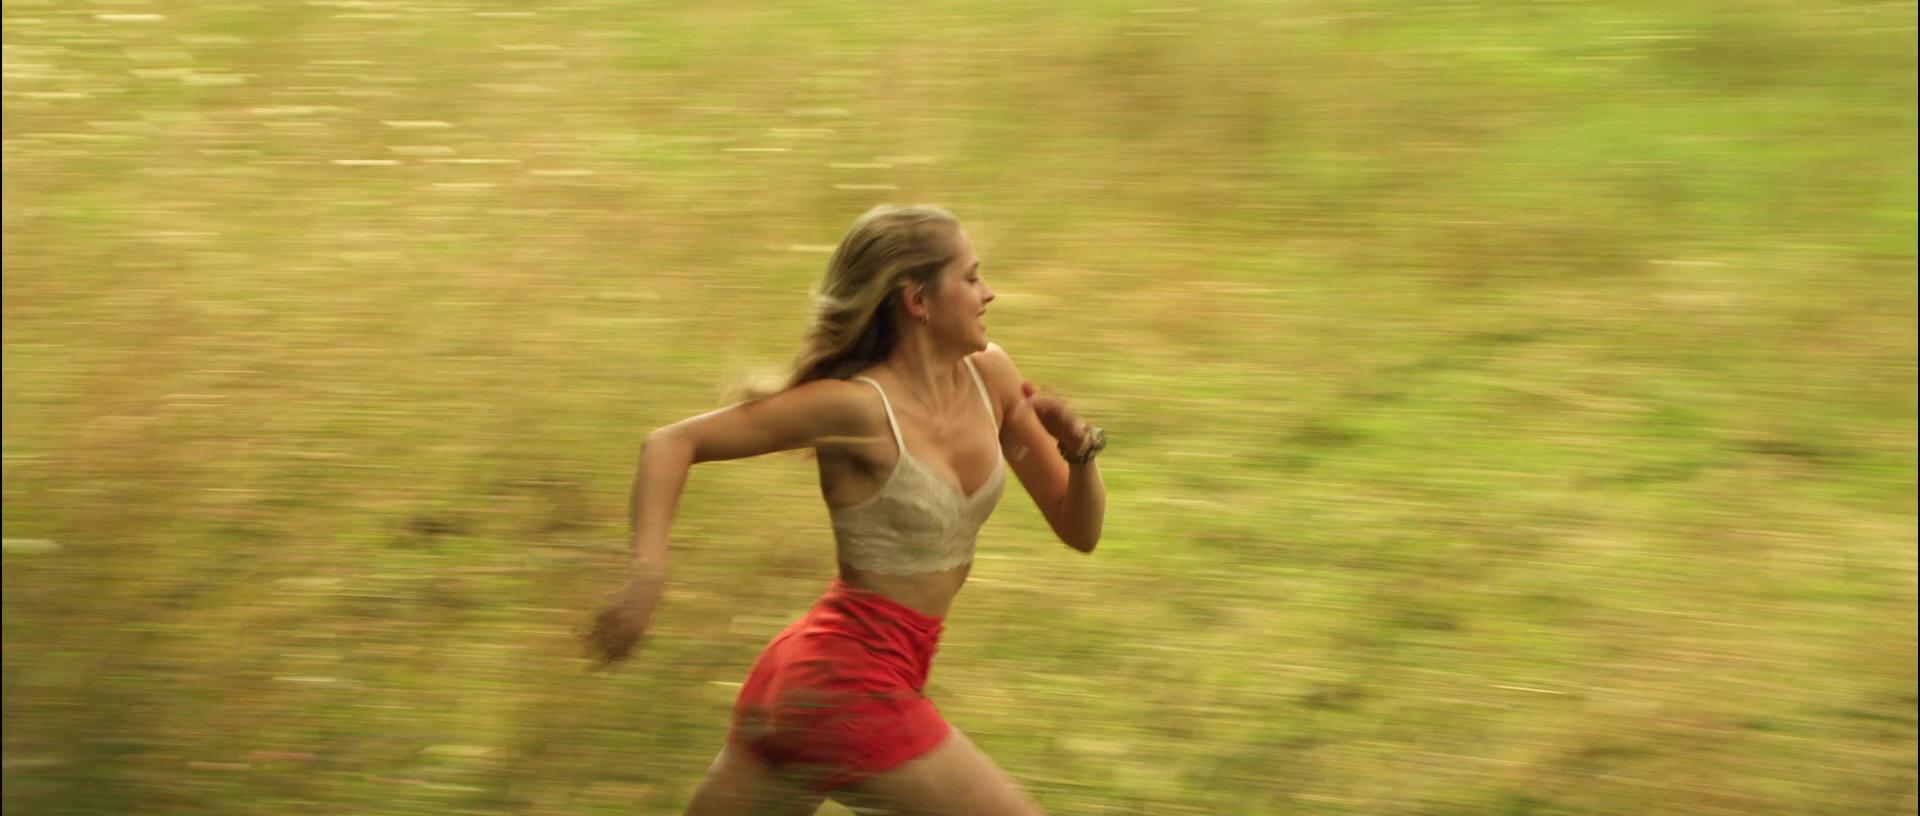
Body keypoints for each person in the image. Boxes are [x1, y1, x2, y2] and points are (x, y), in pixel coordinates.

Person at [586, 204, 1108, 815]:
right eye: (970, 278)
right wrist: (647, 577)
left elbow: (1080, 531)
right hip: (848, 684)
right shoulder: (856, 408)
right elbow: (672, 443)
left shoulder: (990, 378)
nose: (987, 293)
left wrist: (1079, 453)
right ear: (917, 300)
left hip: (821, 678)